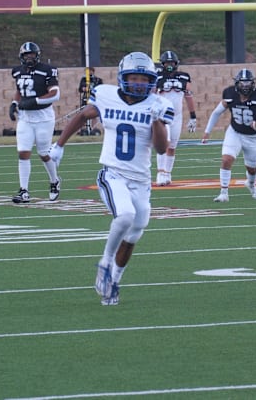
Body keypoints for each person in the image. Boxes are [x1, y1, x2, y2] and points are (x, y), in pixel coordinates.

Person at [48, 52, 171, 305]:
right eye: (133, 78)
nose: (138, 83)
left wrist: (157, 120)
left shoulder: (158, 104)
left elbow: (161, 148)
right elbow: (84, 115)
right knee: (124, 215)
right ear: (123, 78)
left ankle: (113, 281)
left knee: (136, 231)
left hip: (141, 179)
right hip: (112, 173)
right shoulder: (107, 95)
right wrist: (59, 145)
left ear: (152, 80)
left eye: (143, 78)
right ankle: (105, 262)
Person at [202, 69, 256, 202]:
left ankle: (251, 184)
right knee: (226, 159)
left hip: (253, 137)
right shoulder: (230, 94)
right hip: (235, 132)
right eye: (243, 83)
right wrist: (207, 132)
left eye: (248, 83)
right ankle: (223, 193)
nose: (245, 86)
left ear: (253, 83)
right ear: (237, 83)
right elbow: (216, 113)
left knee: (252, 168)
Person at [8, 41, 62, 204]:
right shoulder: (17, 71)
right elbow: (20, 90)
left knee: (43, 153)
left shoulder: (47, 70)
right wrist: (14, 103)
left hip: (43, 117)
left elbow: (55, 94)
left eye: (31, 54)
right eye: (26, 55)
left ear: (37, 55)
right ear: (21, 56)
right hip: (25, 118)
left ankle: (54, 180)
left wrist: (36, 101)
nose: (29, 57)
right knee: (23, 152)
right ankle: (24, 191)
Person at [154, 50, 198, 186]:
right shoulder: (157, 76)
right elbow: (152, 94)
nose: (169, 65)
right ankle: (160, 173)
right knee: (164, 143)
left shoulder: (184, 77)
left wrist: (193, 116)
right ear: (162, 64)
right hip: (162, 114)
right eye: (167, 63)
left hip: (177, 116)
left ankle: (167, 173)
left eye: (172, 62)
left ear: (176, 63)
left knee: (172, 146)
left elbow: (188, 96)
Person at [77, 67, 103, 135]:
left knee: (94, 115)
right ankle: (84, 129)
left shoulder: (97, 80)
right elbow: (80, 89)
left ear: (93, 71)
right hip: (86, 98)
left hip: (94, 99)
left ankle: (94, 129)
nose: (89, 72)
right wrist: (84, 88)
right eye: (87, 71)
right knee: (84, 114)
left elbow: (101, 89)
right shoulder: (84, 79)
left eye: (90, 71)